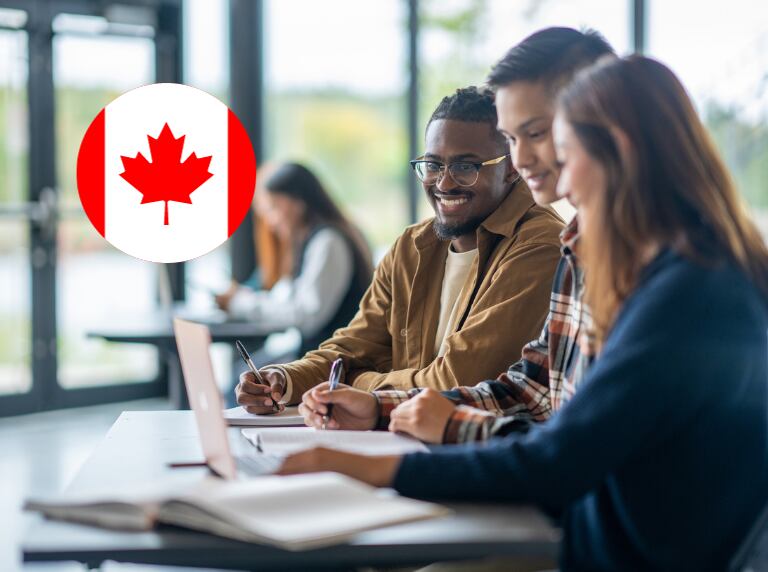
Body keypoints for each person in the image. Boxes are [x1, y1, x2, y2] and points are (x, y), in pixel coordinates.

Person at [279, 55, 768, 571]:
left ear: (617, 151)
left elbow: (561, 461)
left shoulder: (689, 293)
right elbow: (538, 399)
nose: (551, 174)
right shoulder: (653, 269)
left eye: (561, 149)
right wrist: (384, 410)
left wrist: (381, 470)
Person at [300, 28, 616, 442]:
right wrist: (378, 406)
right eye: (514, 138)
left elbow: (574, 448)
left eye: (537, 133)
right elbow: (530, 392)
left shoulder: (631, 261)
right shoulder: (581, 249)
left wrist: (370, 395)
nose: (522, 159)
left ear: (601, 124)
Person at [236, 86, 565, 413]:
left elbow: (456, 382)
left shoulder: (539, 246)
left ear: (510, 167)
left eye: (466, 167)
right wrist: (282, 379)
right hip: (401, 438)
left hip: (481, 450)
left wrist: (358, 384)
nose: (444, 183)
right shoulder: (413, 246)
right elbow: (351, 347)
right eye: (434, 165)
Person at [216, 162, 373, 357]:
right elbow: (287, 299)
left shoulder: (328, 242)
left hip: (332, 363)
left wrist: (241, 303)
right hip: (319, 358)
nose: (271, 222)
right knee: (246, 376)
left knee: (243, 381)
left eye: (274, 208)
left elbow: (306, 315)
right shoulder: (309, 242)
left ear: (298, 203)